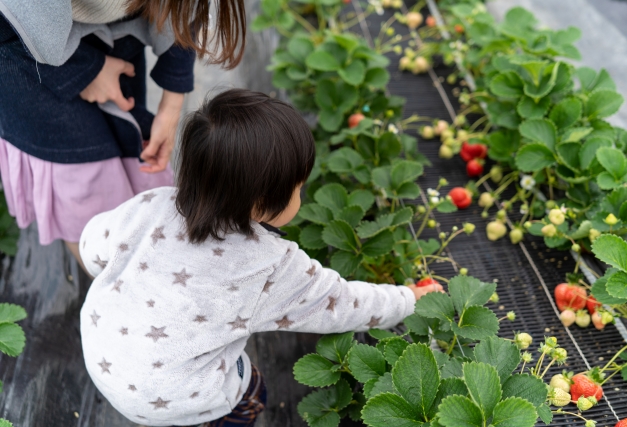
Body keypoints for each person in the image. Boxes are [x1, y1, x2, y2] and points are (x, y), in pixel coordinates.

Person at [77, 89, 443, 426]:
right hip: (182, 396)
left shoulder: (150, 205)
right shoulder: (270, 265)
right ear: (260, 202)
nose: (302, 193)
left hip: (105, 362)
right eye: (298, 187)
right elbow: (343, 303)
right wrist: (411, 299)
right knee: (250, 393)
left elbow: (91, 250)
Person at [0, 0, 245, 268]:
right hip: (25, 56)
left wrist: (172, 106)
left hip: (118, 41)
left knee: (131, 157)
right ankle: (115, 292)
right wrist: (85, 70)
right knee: (86, 193)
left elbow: (183, 8)